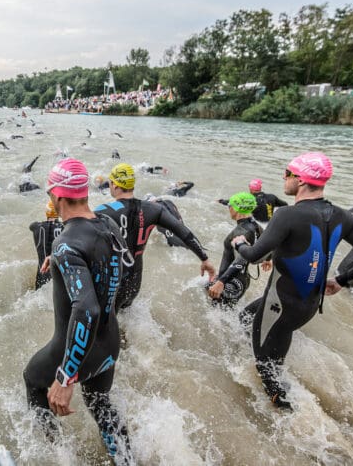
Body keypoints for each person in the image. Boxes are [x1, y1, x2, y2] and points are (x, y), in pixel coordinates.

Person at [232, 153, 353, 410]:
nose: (283, 177)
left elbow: (255, 257)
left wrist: (241, 244)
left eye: (287, 173)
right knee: (248, 318)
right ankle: (281, 379)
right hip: (309, 305)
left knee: (264, 366)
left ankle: (285, 411)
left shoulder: (286, 215)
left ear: (300, 180)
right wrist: (342, 280)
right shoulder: (344, 216)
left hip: (278, 304)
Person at [23, 158, 132, 465]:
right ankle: (125, 459)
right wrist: (61, 267)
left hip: (76, 352)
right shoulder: (107, 224)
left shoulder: (66, 243)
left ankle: (59, 456)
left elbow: (86, 309)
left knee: (33, 381)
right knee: (99, 404)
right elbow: (124, 264)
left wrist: (66, 375)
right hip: (109, 345)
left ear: (57, 196)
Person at [94, 163, 216, 310]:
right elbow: (183, 232)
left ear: (113, 184)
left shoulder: (103, 211)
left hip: (115, 281)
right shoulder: (154, 209)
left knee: (109, 324)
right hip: (135, 281)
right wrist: (204, 259)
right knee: (126, 315)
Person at [207, 192, 271, 308]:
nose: (229, 208)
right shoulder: (255, 225)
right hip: (242, 280)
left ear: (236, 208)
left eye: (229, 206)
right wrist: (268, 259)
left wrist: (221, 282)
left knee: (216, 312)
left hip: (231, 281)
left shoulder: (242, 231)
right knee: (225, 314)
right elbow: (268, 243)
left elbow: (240, 261)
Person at [28, 200, 64, 289]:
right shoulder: (65, 227)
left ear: (46, 212)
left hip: (41, 275)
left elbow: (31, 226)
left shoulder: (36, 227)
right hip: (58, 276)